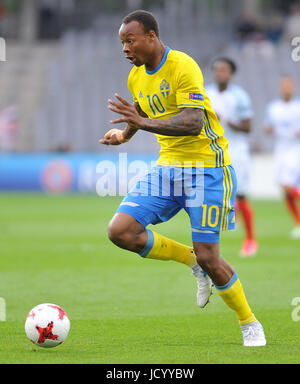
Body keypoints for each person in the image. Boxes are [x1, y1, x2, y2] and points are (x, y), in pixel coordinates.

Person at [99, 10, 266, 346]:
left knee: (211, 256)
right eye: (122, 43)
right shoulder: (136, 76)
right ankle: (191, 261)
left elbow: (193, 122)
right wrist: (124, 137)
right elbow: (141, 113)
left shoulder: (183, 65)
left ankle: (250, 323)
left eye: (130, 40)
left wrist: (141, 125)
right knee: (121, 231)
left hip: (207, 168)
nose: (125, 48)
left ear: (150, 35)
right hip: (168, 167)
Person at [206, 58, 258, 258]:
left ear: (231, 73)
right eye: (217, 69)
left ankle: (251, 240)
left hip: (236, 152)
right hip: (212, 152)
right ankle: (209, 246)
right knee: (209, 196)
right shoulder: (206, 94)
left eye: (224, 69)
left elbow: (247, 127)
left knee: (241, 195)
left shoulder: (240, 96)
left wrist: (225, 120)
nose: (220, 72)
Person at [264, 76, 300, 239]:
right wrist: (268, 129)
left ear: (292, 88)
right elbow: (267, 126)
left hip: (295, 149)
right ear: (280, 88)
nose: (286, 88)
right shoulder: (273, 108)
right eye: (284, 85)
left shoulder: (297, 107)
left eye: (289, 85)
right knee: (285, 191)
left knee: (287, 185)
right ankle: (298, 223)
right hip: (280, 149)